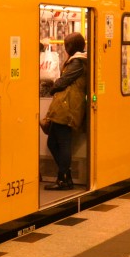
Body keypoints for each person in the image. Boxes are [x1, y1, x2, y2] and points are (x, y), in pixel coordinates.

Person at [42, 32, 88, 191]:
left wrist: (52, 87)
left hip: (67, 107)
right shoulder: (78, 61)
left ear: (70, 47)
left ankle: (63, 180)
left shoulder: (77, 62)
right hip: (64, 106)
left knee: (62, 143)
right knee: (53, 142)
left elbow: (63, 82)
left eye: (65, 45)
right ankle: (66, 176)